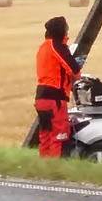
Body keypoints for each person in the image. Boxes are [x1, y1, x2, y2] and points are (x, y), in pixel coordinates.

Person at [34, 16, 82, 158]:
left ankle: (44, 166)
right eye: (66, 30)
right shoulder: (56, 46)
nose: (67, 33)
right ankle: (55, 167)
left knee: (45, 136)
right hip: (55, 99)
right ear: (61, 31)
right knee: (59, 136)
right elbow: (74, 71)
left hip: (41, 98)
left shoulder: (43, 47)